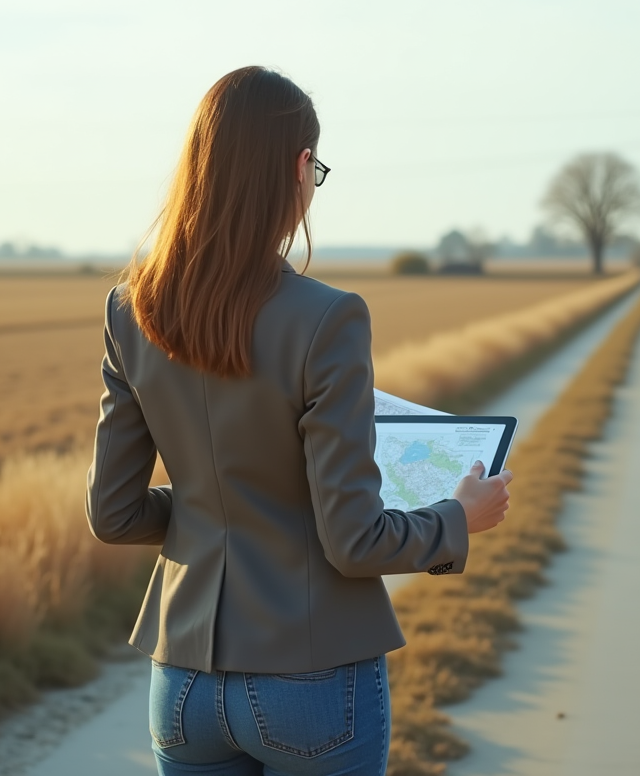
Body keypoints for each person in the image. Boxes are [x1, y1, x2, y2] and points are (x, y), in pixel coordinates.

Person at [86, 65, 512, 776]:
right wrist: (456, 518)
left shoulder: (130, 311)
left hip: (183, 682)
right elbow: (352, 541)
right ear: (298, 166)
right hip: (313, 683)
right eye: (317, 170)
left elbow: (113, 513)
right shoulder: (328, 318)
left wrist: (212, 509)